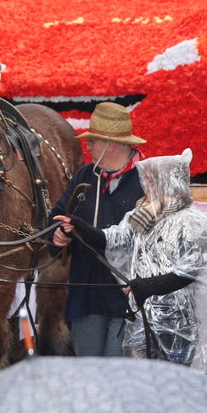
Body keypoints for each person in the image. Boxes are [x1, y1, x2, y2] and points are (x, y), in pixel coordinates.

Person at [54, 148, 207, 367]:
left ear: (169, 181)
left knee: (171, 379)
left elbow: (190, 270)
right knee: (137, 379)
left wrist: (149, 285)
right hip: (140, 313)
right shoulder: (141, 215)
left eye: (151, 178)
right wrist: (79, 228)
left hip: (175, 317)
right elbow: (113, 239)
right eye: (145, 178)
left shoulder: (191, 222)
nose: (145, 183)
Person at [48, 102, 145, 357]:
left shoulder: (146, 179)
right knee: (88, 371)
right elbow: (58, 214)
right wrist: (58, 232)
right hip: (86, 293)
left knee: (118, 374)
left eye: (93, 142)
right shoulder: (84, 176)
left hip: (128, 297)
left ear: (110, 144)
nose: (88, 146)